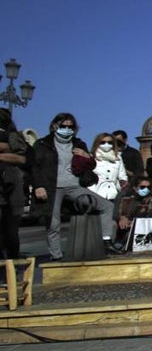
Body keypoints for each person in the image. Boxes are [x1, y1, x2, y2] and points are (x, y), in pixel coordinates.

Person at [31, 113, 120, 259]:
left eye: (70, 127)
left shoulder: (78, 143)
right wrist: (38, 186)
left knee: (106, 206)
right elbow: (34, 166)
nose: (67, 129)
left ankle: (106, 242)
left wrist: (86, 156)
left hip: (74, 186)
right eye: (63, 126)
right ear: (55, 126)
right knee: (54, 224)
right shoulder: (42, 144)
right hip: (51, 187)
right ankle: (56, 256)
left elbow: (91, 165)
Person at [0, 108, 29, 259]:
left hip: (11, 188)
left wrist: (4, 151)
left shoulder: (13, 137)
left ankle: (11, 264)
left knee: (10, 230)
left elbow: (24, 159)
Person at [87, 132, 128, 202]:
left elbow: (122, 175)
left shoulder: (118, 158)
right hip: (96, 194)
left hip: (113, 195)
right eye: (103, 142)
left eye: (110, 142)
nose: (107, 144)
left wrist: (122, 184)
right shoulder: (91, 157)